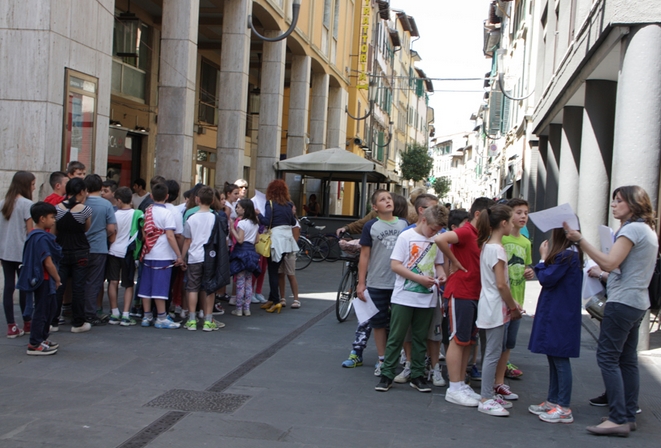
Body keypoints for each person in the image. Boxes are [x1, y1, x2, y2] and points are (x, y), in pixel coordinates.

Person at [564, 185, 658, 437]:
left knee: (607, 357)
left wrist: (580, 240)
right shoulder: (647, 230)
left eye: (618, 201)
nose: (613, 205)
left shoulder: (631, 230)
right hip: (637, 302)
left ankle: (618, 417)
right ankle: (626, 415)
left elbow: (609, 262)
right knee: (627, 359)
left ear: (634, 204)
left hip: (623, 302)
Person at [375, 205, 447, 393]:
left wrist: (441, 275)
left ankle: (417, 374)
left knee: (420, 338)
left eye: (438, 230)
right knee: (396, 337)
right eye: (432, 229)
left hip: (427, 297)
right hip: (404, 296)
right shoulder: (406, 237)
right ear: (423, 220)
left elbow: (438, 263)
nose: (434, 233)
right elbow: (395, 265)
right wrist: (419, 279)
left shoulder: (436, 239)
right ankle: (387, 374)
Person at [435, 197, 495, 407]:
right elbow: (440, 239)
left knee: (468, 340)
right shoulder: (467, 231)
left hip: (473, 293)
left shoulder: (479, 234)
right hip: (461, 291)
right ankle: (454, 386)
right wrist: (454, 260)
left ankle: (460, 384)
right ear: (479, 214)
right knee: (458, 339)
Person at [527, 228, 584, 423]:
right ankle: (554, 401)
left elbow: (546, 279)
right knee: (554, 356)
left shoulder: (566, 256)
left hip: (560, 313)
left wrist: (542, 259)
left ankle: (563, 406)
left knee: (559, 359)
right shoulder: (572, 254)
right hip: (560, 311)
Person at [475, 204, 522, 417]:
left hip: (489, 304)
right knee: (492, 354)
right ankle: (486, 397)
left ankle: (488, 395)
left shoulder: (487, 246)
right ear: (504, 224)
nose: (514, 224)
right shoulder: (497, 249)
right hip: (495, 307)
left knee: (489, 353)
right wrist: (513, 307)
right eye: (512, 221)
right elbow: (502, 284)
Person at [357, 189, 408, 375]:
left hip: (400, 282)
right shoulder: (371, 226)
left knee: (399, 322)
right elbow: (364, 255)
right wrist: (361, 283)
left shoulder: (404, 224)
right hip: (377, 281)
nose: (388, 201)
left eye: (389, 198)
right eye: (382, 199)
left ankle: (402, 357)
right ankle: (382, 359)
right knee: (378, 323)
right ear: (374, 206)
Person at [17, 202, 62, 355]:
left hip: (42, 278)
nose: (54, 220)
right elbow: (48, 262)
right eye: (51, 217)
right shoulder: (41, 238)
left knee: (49, 309)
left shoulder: (35, 235)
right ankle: (35, 342)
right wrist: (57, 278)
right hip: (43, 279)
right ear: (42, 219)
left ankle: (41, 338)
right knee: (43, 311)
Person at [498, 198, 535, 384]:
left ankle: (505, 365)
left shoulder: (526, 242)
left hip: (518, 295)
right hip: (502, 297)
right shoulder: (501, 238)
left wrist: (529, 272)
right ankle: (496, 372)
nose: (523, 216)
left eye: (526, 213)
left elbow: (526, 266)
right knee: (499, 339)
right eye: (518, 212)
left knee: (510, 340)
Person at [138, 183, 184, 329]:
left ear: (151, 196)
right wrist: (179, 255)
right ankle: (161, 317)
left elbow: (145, 232)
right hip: (163, 254)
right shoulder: (167, 213)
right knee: (160, 287)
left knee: (146, 285)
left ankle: (147, 316)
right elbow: (171, 236)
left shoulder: (148, 211)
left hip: (148, 252)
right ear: (167, 196)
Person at [53, 178, 92, 333]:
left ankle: (53, 321)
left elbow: (54, 231)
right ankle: (78, 322)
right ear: (81, 191)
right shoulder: (85, 210)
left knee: (58, 286)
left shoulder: (57, 209)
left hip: (61, 250)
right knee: (78, 287)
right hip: (80, 251)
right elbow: (86, 228)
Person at [0, 171, 36, 337]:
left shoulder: (3, 203)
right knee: (25, 288)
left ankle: (11, 326)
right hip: (22, 252)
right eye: (33, 184)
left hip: (5, 252)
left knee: (9, 287)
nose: (34, 187)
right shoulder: (27, 204)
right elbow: (30, 232)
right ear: (26, 185)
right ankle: (27, 322)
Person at [257, 180, 299, 314]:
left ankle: (275, 301)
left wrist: (258, 213)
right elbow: (293, 222)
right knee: (275, 269)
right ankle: (272, 298)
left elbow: (266, 221)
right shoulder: (289, 205)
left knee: (273, 271)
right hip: (287, 240)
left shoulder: (270, 204)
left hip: (275, 240)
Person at [181, 187, 219, 331]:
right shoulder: (215, 218)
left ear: (197, 199)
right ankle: (208, 320)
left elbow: (187, 241)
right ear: (213, 201)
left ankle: (191, 319)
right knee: (209, 288)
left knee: (192, 288)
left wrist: (182, 257)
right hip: (210, 257)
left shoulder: (191, 218)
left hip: (194, 256)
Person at [83, 174, 117, 325]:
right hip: (98, 246)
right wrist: (104, 233)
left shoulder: (81, 203)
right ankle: (90, 312)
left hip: (81, 246)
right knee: (94, 281)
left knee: (79, 280)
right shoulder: (106, 205)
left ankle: (77, 310)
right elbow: (111, 227)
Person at [106, 187, 143, 326]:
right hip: (128, 252)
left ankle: (114, 312)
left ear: (119, 201)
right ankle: (126, 314)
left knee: (113, 281)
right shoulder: (137, 214)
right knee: (128, 284)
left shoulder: (113, 215)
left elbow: (111, 232)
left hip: (114, 250)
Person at [229, 199, 261, 316]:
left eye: (238, 207)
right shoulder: (255, 223)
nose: (237, 209)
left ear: (244, 209)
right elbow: (257, 239)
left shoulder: (242, 223)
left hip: (241, 252)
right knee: (248, 281)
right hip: (251, 252)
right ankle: (247, 308)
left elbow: (240, 239)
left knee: (240, 281)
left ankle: (238, 308)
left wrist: (232, 229)